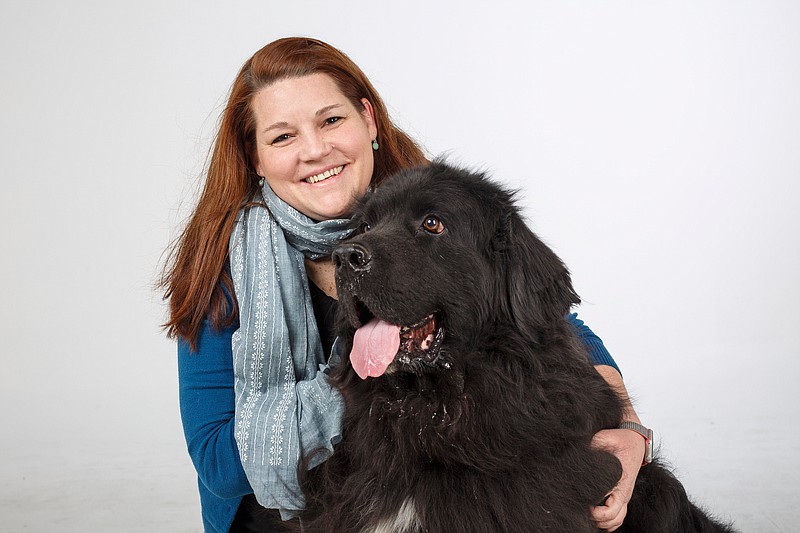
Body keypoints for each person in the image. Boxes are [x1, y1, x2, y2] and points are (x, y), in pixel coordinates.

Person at [162, 37, 648, 533]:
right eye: (283, 137)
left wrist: (629, 431)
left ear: (368, 121)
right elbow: (218, 464)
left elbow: (546, 320)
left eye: (331, 120)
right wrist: (358, 385)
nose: (314, 149)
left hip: (431, 482)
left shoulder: (431, 204)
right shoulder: (224, 270)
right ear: (256, 158)